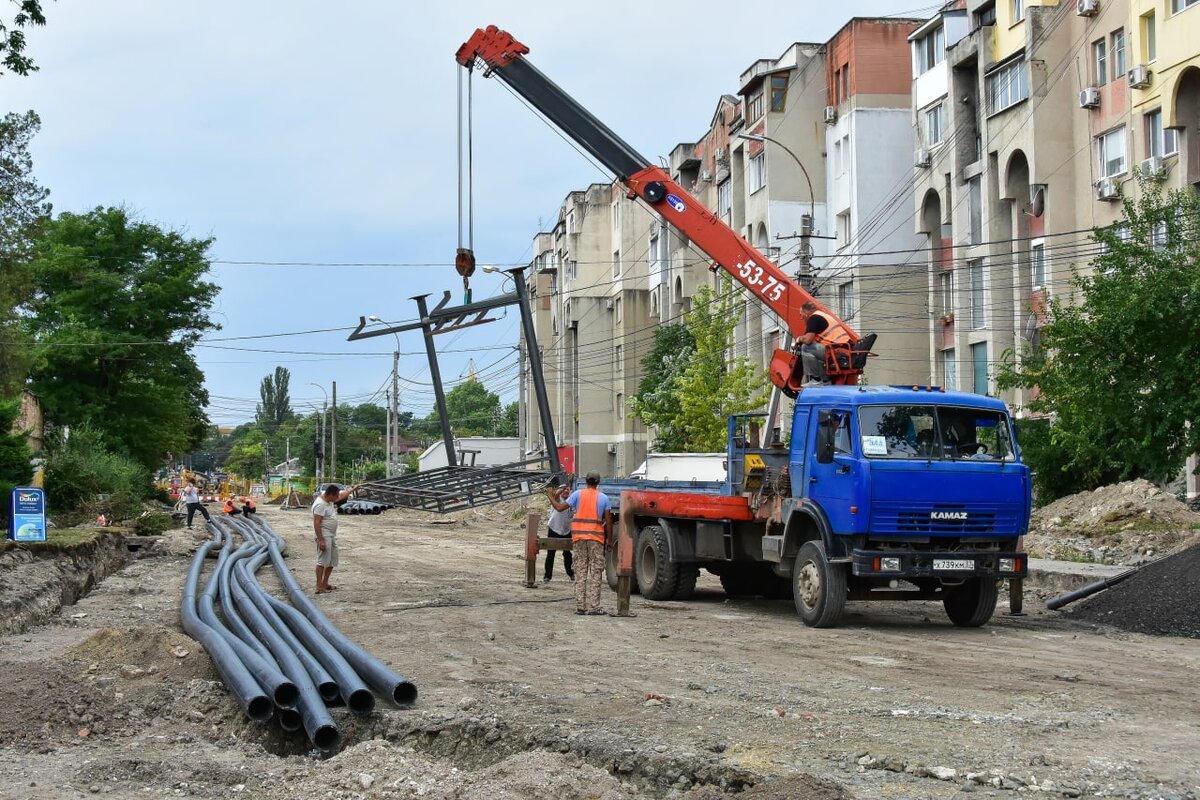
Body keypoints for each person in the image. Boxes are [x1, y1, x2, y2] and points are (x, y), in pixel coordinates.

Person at [566, 471, 612, 616]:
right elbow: (609, 523)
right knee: (596, 572)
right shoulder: (604, 498)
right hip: (596, 539)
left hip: (579, 538)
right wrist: (609, 540)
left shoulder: (577, 495)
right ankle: (594, 607)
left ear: (585, 481)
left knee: (580, 570)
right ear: (598, 482)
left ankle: (580, 606)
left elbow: (560, 508)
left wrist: (551, 497)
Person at [311, 483, 359, 594]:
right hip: (324, 535)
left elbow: (342, 495)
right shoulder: (320, 504)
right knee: (322, 561)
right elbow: (317, 523)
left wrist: (353, 489)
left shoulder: (328, 498)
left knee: (332, 561)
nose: (337, 498)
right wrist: (321, 540)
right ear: (330, 494)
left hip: (331, 535)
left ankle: (325, 583)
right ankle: (319, 587)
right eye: (335, 496)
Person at [798, 301, 852, 385]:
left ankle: (816, 379)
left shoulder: (814, 318)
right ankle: (826, 380)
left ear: (807, 312)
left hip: (837, 352)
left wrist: (799, 339)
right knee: (816, 352)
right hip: (843, 350)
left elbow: (808, 340)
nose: (801, 318)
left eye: (801, 314)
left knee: (806, 347)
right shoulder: (822, 316)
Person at [543, 485, 575, 583]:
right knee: (551, 553)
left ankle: (570, 573)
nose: (566, 491)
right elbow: (554, 496)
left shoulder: (572, 500)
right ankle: (547, 576)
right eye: (564, 490)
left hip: (566, 530)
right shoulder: (557, 498)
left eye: (567, 490)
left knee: (567, 553)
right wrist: (559, 490)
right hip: (554, 528)